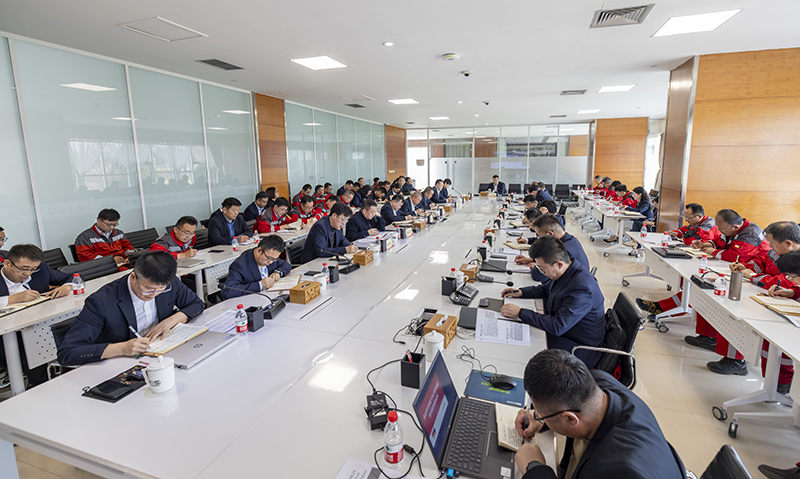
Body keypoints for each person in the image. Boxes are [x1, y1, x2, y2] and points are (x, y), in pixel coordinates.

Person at [513, 349, 686, 479]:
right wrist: (544, 418)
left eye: (541, 415)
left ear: (571, 419)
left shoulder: (619, 470)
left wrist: (535, 468)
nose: (537, 416)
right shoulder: (598, 382)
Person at [638, 209, 771, 376]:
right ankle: (707, 336)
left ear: (735, 227)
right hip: (741, 273)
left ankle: (735, 361)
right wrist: (707, 245)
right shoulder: (732, 229)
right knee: (700, 288)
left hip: (751, 281)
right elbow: (719, 242)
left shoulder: (750, 234)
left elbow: (736, 256)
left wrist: (715, 252)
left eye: (721, 228)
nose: (718, 230)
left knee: (729, 308)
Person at [57, 251, 205, 366]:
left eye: (160, 290)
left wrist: (170, 321)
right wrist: (121, 348)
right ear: (133, 277)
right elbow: (67, 353)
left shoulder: (169, 284)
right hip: (120, 364)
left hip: (162, 356)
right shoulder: (101, 302)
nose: (154, 294)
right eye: (148, 289)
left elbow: (197, 304)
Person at [501, 237, 605, 368]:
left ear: (559, 264)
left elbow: (558, 326)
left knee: (519, 348)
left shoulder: (582, 288)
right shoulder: (568, 269)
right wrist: (521, 292)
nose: (541, 272)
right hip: (565, 332)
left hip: (576, 347)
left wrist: (520, 313)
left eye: (542, 268)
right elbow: (546, 288)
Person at [728, 221, 799, 393]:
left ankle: (785, 383)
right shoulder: (779, 253)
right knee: (770, 340)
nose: (770, 248)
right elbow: (766, 264)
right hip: (786, 308)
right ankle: (775, 382)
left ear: (787, 243)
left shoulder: (795, 261)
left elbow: (786, 280)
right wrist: (792, 292)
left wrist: (753, 276)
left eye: (773, 244)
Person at [0, 244, 73, 386]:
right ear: (7, 263)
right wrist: (10, 299)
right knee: (28, 351)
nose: (28, 274)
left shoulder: (41, 270)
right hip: (8, 335)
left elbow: (73, 277)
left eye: (33, 269)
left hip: (40, 326)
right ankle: (38, 385)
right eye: (24, 269)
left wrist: (66, 286)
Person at [516, 215, 590, 283]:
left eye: (540, 237)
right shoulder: (570, 239)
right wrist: (532, 260)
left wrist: (536, 267)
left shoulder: (562, 250)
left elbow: (538, 276)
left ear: (550, 234)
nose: (539, 239)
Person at [222, 235, 292, 300]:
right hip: (252, 301)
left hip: (271, 297)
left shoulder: (269, 256)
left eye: (274, 259)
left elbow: (286, 265)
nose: (271, 262)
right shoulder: (240, 265)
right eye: (269, 258)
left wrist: (278, 272)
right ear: (259, 251)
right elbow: (228, 291)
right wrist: (260, 285)